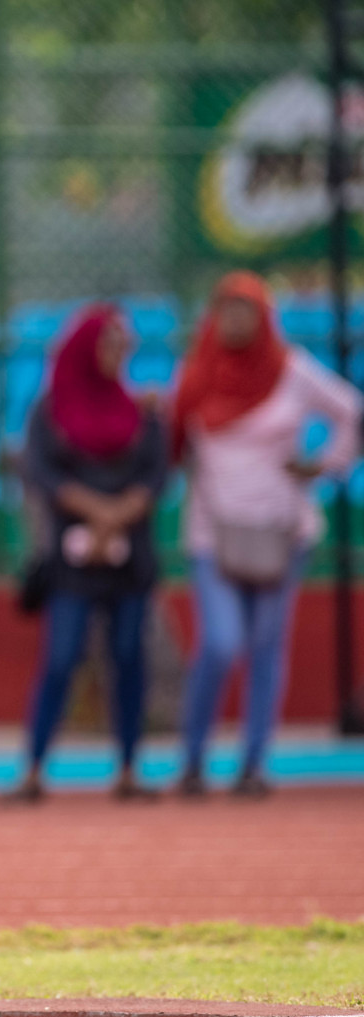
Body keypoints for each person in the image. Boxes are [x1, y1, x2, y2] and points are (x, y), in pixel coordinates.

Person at [171, 271, 362, 799]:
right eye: (225, 310)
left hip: (282, 531)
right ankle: (192, 760)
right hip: (215, 533)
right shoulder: (196, 372)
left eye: (246, 311)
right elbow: (172, 438)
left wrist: (325, 464)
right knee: (220, 641)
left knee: (265, 645)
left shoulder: (292, 371)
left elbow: (351, 412)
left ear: (264, 316)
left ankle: (253, 764)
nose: (234, 322)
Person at [8, 304, 167, 803]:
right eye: (110, 343)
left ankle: (127, 767)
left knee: (128, 656)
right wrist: (95, 512)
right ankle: (33, 768)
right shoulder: (51, 410)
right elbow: (42, 473)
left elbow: (157, 474)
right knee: (61, 657)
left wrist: (119, 515)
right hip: (71, 560)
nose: (119, 354)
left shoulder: (143, 410)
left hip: (130, 556)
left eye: (125, 346)